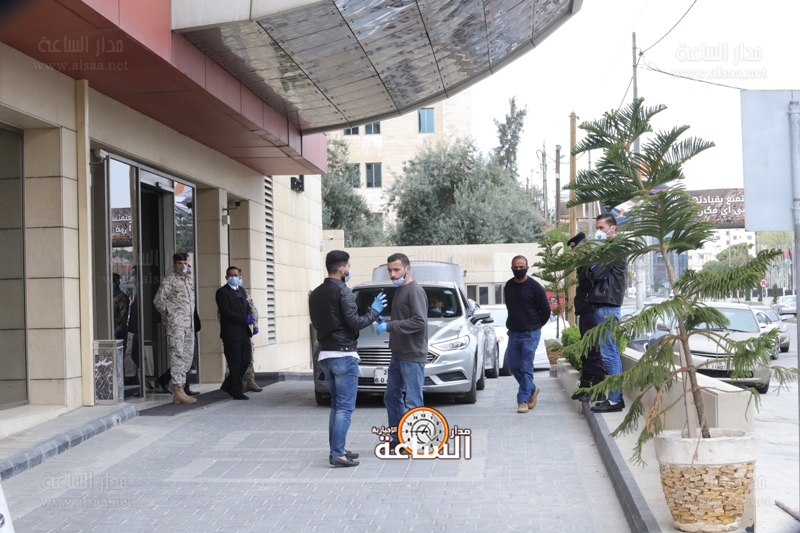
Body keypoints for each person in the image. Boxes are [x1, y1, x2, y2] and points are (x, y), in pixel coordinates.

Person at [309, 250, 386, 467]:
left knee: (337, 406)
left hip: (325, 354)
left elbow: (316, 323)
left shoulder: (316, 293)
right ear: (342, 269)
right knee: (344, 407)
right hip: (344, 355)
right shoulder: (344, 292)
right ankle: (337, 454)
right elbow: (355, 323)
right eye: (349, 267)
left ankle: (338, 449)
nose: (349, 270)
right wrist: (374, 311)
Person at [377, 253, 428, 451]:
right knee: (391, 396)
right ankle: (398, 437)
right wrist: (386, 322)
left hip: (412, 354)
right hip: (398, 353)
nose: (392, 274)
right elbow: (404, 319)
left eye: (396, 270)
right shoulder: (401, 289)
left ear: (408, 269)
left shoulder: (414, 290)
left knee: (413, 400)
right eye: (389, 270)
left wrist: (389, 326)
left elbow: (419, 321)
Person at [588, 213, 628, 413]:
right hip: (604, 305)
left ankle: (614, 399)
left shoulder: (615, 250)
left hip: (607, 306)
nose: (598, 232)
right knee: (609, 352)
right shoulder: (609, 249)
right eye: (597, 228)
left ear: (613, 228)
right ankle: (614, 398)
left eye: (601, 228)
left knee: (609, 353)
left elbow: (595, 273)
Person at [504, 255, 551, 413]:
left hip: (530, 334)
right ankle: (532, 389)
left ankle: (522, 400)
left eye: (521, 267)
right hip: (513, 333)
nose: (518, 269)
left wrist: (535, 325)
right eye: (515, 267)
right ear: (511, 268)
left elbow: (546, 310)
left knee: (526, 367)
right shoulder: (508, 286)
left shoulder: (535, 287)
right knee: (514, 366)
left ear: (527, 268)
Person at [566, 232, 607, 402]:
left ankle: (598, 388)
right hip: (584, 310)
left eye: (578, 250)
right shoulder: (583, 265)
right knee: (586, 350)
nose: (575, 254)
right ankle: (585, 384)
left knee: (592, 350)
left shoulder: (593, 263)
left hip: (591, 310)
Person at [153, 253, 197, 405]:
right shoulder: (169, 281)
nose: (182, 266)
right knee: (177, 356)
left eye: (185, 263)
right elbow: (158, 301)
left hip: (189, 326)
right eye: (179, 263)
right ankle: (178, 390)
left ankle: (182, 388)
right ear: (174, 265)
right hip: (177, 326)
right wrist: (171, 315)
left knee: (187, 357)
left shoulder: (189, 280)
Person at [216, 266, 254, 400]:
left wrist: (250, 317)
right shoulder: (222, 292)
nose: (233, 277)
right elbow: (225, 311)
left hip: (244, 332)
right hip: (231, 333)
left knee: (246, 359)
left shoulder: (242, 291)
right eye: (231, 275)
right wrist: (243, 319)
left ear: (239, 276)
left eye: (235, 275)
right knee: (235, 362)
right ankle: (237, 390)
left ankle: (228, 384)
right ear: (226, 277)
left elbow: (248, 306)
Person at [236, 269, 263, 393]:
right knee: (236, 358)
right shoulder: (227, 293)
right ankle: (235, 383)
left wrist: (255, 324)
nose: (237, 278)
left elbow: (253, 309)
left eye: (238, 276)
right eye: (233, 276)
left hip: (246, 330)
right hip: (235, 332)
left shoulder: (245, 292)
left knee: (249, 356)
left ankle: (250, 381)